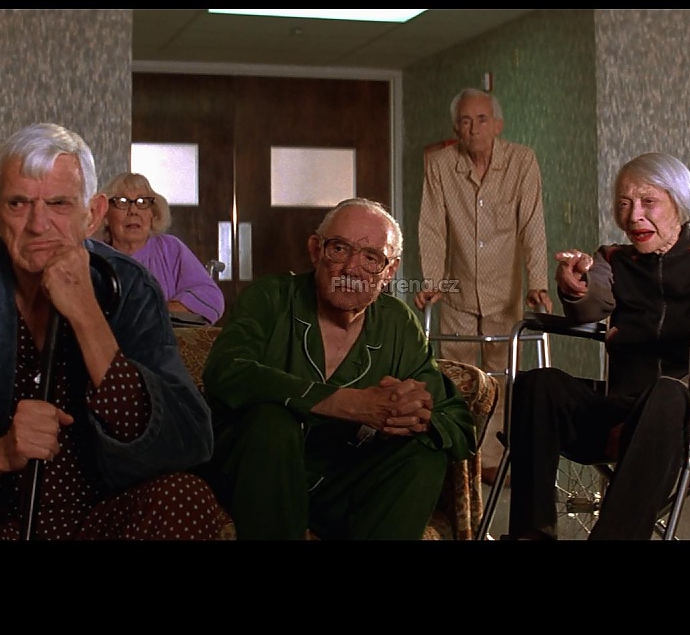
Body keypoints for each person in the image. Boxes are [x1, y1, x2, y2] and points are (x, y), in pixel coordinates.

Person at [0, 122, 228, 540]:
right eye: (18, 203)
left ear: (93, 214)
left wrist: (87, 316)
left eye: (59, 204)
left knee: (184, 497)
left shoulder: (133, 288)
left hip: (100, 519)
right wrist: (0, 452)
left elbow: (184, 443)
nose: (38, 225)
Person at [505, 152, 690, 540]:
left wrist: (686, 391)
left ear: (680, 202)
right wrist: (577, 286)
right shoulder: (612, 259)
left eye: (648, 201)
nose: (634, 215)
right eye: (624, 203)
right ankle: (531, 534)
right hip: (623, 405)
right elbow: (593, 301)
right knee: (538, 385)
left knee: (667, 393)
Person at [199, 197, 476, 539]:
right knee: (272, 421)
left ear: (389, 272)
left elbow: (457, 422)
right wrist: (346, 403)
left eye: (371, 258)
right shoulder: (270, 298)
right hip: (257, 480)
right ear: (316, 250)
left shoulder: (398, 323)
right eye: (340, 249)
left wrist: (415, 414)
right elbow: (226, 371)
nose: (351, 269)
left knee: (424, 453)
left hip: (338, 488)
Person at [414, 87, 551, 484]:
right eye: (465, 121)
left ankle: (491, 462)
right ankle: (459, 458)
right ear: (456, 128)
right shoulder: (441, 165)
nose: (473, 129)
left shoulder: (522, 161)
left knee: (502, 378)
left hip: (504, 294)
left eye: (481, 119)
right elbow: (432, 225)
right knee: (456, 378)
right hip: (457, 292)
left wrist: (538, 282)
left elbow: (532, 226)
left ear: (498, 125)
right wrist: (432, 281)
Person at [96, 172, 225, 325]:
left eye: (143, 202)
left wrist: (156, 312)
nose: (133, 211)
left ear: (153, 213)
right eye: (122, 202)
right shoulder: (95, 255)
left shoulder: (170, 249)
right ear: (105, 214)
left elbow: (211, 298)